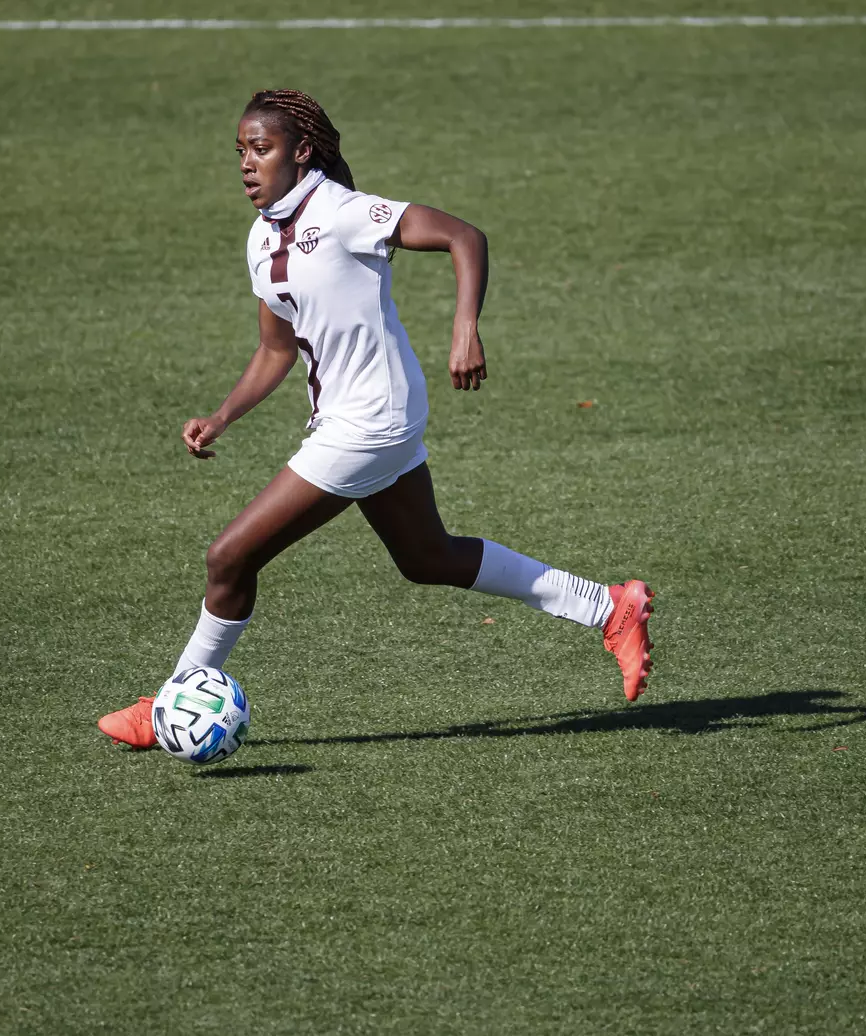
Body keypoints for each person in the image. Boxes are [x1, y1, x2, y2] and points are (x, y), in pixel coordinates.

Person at [99, 88, 653, 749]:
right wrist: (222, 416)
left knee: (229, 557)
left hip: (371, 421)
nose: (246, 163)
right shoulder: (261, 237)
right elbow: (276, 348)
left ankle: (169, 708)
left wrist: (464, 328)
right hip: (350, 420)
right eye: (240, 151)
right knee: (426, 556)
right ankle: (608, 607)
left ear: (300, 152)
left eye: (261, 148)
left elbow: (461, 236)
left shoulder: (342, 213)